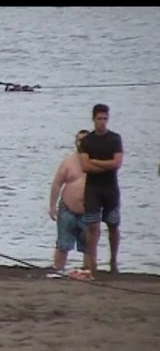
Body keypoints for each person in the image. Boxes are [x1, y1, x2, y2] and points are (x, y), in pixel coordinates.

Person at [78, 103, 124, 275]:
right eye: (99, 119)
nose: (102, 122)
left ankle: (113, 261)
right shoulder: (87, 141)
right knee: (93, 226)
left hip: (110, 188)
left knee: (113, 225)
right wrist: (106, 165)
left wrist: (95, 162)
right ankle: (92, 262)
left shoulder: (115, 139)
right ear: (93, 119)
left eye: (105, 119)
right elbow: (84, 166)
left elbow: (117, 163)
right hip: (93, 189)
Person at [48, 130, 91, 275]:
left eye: (84, 140)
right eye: (78, 140)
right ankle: (58, 270)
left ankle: (87, 271)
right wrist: (52, 207)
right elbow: (57, 184)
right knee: (63, 244)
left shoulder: (97, 162)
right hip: (67, 207)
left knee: (88, 244)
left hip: (89, 209)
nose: (81, 143)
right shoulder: (68, 161)